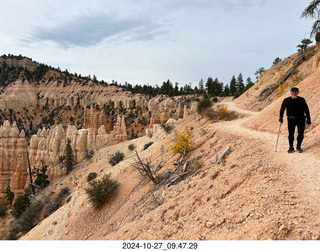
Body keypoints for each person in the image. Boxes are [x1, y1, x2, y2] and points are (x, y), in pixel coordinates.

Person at [279, 87, 311, 153]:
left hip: (301, 119)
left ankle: (298, 147)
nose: (294, 93)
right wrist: (281, 117)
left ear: (298, 92)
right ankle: (291, 147)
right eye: (292, 92)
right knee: (291, 133)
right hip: (290, 119)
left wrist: (308, 119)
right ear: (290, 93)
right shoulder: (286, 100)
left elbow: (306, 110)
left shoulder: (302, 100)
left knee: (301, 133)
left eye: (295, 92)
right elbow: (282, 109)